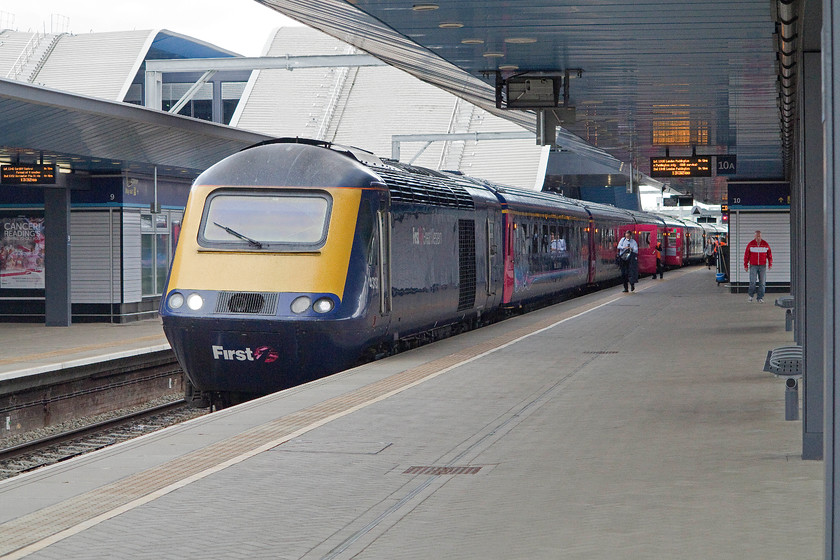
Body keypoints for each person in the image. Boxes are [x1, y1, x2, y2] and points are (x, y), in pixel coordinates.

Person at [743, 230, 772, 303]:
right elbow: (746, 255)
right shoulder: (751, 244)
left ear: (761, 236)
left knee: (762, 282)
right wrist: (745, 265)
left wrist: (770, 264)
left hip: (762, 265)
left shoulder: (765, 244)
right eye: (757, 236)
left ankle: (760, 297)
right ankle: (751, 295)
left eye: (759, 236)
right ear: (754, 236)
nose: (758, 237)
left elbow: (769, 255)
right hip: (753, 265)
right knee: (752, 281)